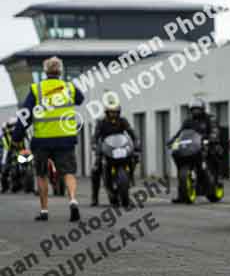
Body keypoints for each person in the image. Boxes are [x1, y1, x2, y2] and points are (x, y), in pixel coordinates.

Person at [13, 56, 85, 222]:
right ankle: (73, 200)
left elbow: (26, 115)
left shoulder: (36, 89)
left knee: (42, 174)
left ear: (45, 71)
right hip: (65, 139)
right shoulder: (69, 87)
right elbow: (80, 99)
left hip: (42, 140)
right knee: (69, 173)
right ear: (60, 71)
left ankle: (44, 211)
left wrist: (17, 136)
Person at [169, 98, 222, 203]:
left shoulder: (209, 118)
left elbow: (215, 129)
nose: (195, 111)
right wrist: (173, 140)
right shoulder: (188, 121)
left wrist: (212, 136)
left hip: (207, 145)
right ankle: (182, 195)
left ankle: (215, 181)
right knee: (181, 167)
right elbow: (181, 133)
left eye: (197, 109)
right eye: (193, 109)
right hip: (192, 147)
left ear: (202, 109)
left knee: (215, 152)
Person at [91, 97, 140, 206]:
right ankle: (94, 197)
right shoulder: (101, 122)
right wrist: (94, 144)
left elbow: (131, 133)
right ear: (107, 112)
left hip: (121, 148)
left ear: (119, 112)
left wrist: (136, 142)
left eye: (115, 112)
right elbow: (96, 136)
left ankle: (130, 177)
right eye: (111, 112)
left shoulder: (123, 121)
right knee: (95, 169)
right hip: (106, 148)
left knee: (134, 157)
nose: (113, 115)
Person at [1, 117, 24, 193]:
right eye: (12, 125)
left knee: (29, 165)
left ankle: (28, 186)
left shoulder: (22, 133)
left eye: (15, 125)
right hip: (9, 153)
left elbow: (27, 142)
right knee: (5, 169)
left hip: (21, 152)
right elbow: (3, 145)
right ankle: (5, 187)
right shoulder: (4, 135)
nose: (13, 127)